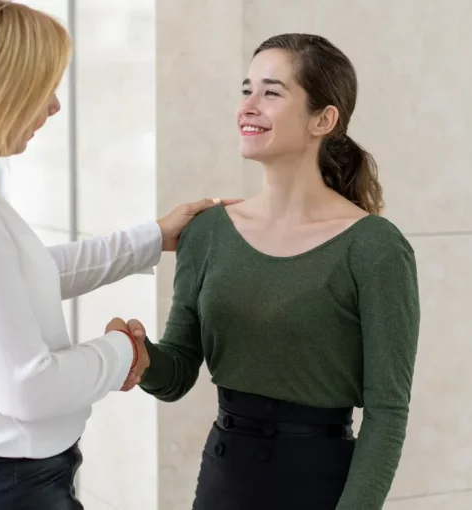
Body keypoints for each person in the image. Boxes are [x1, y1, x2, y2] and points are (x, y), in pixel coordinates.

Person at [0, 1, 238, 509]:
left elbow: (22, 275)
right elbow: (29, 389)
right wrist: (124, 351)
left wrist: (153, 236)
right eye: (45, 87)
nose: (54, 107)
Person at [131, 33, 420, 510]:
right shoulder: (206, 232)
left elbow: (388, 413)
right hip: (224, 479)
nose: (249, 106)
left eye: (271, 92)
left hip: (320, 487)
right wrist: (136, 356)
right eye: (246, 90)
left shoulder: (375, 248)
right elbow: (178, 373)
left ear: (323, 119)